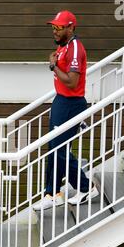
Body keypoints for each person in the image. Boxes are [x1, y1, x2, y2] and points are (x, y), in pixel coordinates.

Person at [34, 11, 98, 211]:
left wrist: (53, 66)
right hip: (61, 101)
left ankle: (86, 187)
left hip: (71, 103)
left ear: (71, 28)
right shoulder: (65, 46)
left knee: (59, 150)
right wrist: (55, 58)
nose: (55, 31)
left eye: (59, 28)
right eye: (53, 27)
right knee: (54, 149)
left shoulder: (76, 48)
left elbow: (72, 82)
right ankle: (52, 193)